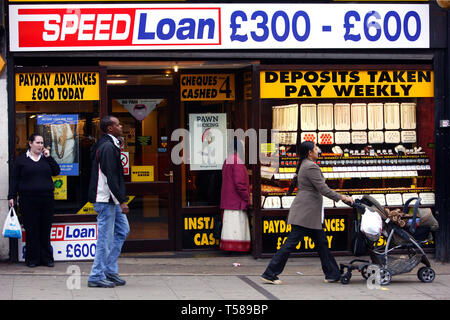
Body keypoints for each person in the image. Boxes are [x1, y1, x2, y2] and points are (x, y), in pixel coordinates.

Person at [261, 141, 353, 284]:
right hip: (306, 213)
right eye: (316, 148)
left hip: (309, 213)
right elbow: (323, 189)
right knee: (290, 244)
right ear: (310, 152)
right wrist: (343, 197)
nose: (318, 150)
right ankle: (270, 273)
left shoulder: (305, 164)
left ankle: (332, 274)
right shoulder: (311, 167)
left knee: (321, 243)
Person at [87, 116, 130, 288]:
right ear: (110, 128)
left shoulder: (110, 144)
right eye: (118, 124)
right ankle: (96, 275)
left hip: (110, 199)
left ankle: (109, 270)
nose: (121, 126)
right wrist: (122, 201)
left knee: (123, 230)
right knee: (104, 239)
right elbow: (110, 177)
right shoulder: (107, 147)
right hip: (105, 200)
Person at [8, 134, 61, 267]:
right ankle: (32, 259)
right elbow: (14, 179)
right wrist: (11, 196)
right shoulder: (21, 161)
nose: (40, 145)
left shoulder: (46, 159)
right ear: (30, 143)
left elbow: (56, 171)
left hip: (46, 199)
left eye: (42, 143)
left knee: (45, 228)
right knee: (32, 229)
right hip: (28, 200)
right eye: (38, 142)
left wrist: (49, 157)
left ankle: (47, 258)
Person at [219, 138, 251, 252]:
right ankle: (237, 249)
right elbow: (240, 183)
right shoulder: (237, 161)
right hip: (236, 201)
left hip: (228, 200)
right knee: (236, 227)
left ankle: (230, 248)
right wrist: (247, 198)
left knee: (229, 227)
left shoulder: (228, 160)